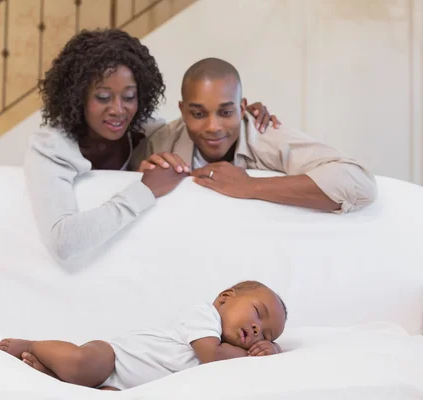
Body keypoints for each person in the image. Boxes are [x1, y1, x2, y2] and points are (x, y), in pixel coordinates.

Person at [24, 29, 280, 265]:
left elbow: (198, 123)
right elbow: (63, 241)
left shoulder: (146, 131)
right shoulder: (51, 147)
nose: (117, 110)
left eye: (129, 97)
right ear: (77, 96)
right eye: (103, 97)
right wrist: (145, 189)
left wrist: (240, 116)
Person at [134, 58, 378, 214]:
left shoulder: (267, 135)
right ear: (183, 111)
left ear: (242, 109)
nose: (213, 126)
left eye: (226, 112)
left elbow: (358, 182)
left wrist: (251, 186)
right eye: (198, 113)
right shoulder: (161, 142)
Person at [0, 280, 287, 391]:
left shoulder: (228, 355)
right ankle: (33, 345)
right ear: (225, 298)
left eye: (267, 334)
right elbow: (211, 356)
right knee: (81, 363)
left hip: (126, 387)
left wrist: (269, 351)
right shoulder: (204, 317)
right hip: (113, 359)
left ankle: (53, 375)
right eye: (257, 313)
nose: (257, 329)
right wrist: (258, 355)